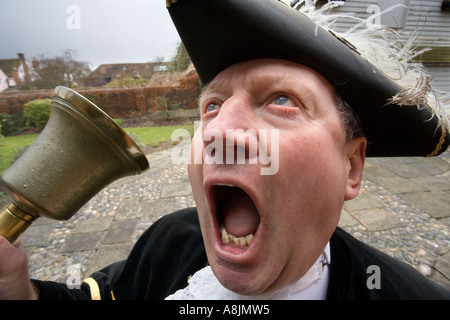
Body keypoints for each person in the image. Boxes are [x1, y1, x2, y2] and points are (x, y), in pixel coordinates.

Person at [1, 0, 449, 300]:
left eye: (282, 101)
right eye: (212, 106)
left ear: (352, 166)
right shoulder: (169, 241)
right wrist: (18, 288)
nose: (218, 131)